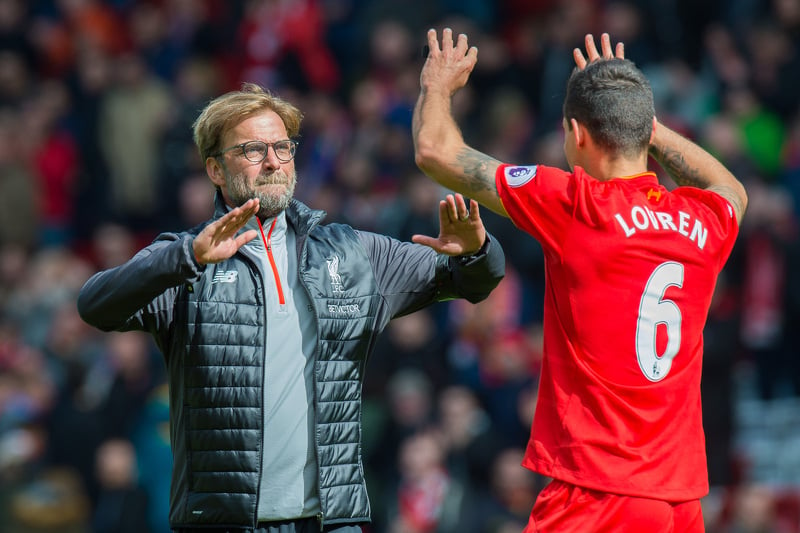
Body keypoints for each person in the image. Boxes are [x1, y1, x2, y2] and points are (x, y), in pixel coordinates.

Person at [77, 82, 505, 533]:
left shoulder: (353, 252)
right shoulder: (185, 258)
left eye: (283, 146)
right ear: (215, 170)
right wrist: (186, 258)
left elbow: (473, 282)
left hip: (332, 522)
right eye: (252, 149)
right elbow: (96, 305)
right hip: (224, 524)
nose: (273, 161)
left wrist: (476, 249)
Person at [413, 29, 747, 532]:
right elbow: (731, 189)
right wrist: (644, 124)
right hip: (679, 501)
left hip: (595, 493)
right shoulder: (702, 222)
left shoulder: (575, 205)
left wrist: (436, 87)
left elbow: (434, 151)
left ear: (577, 134)